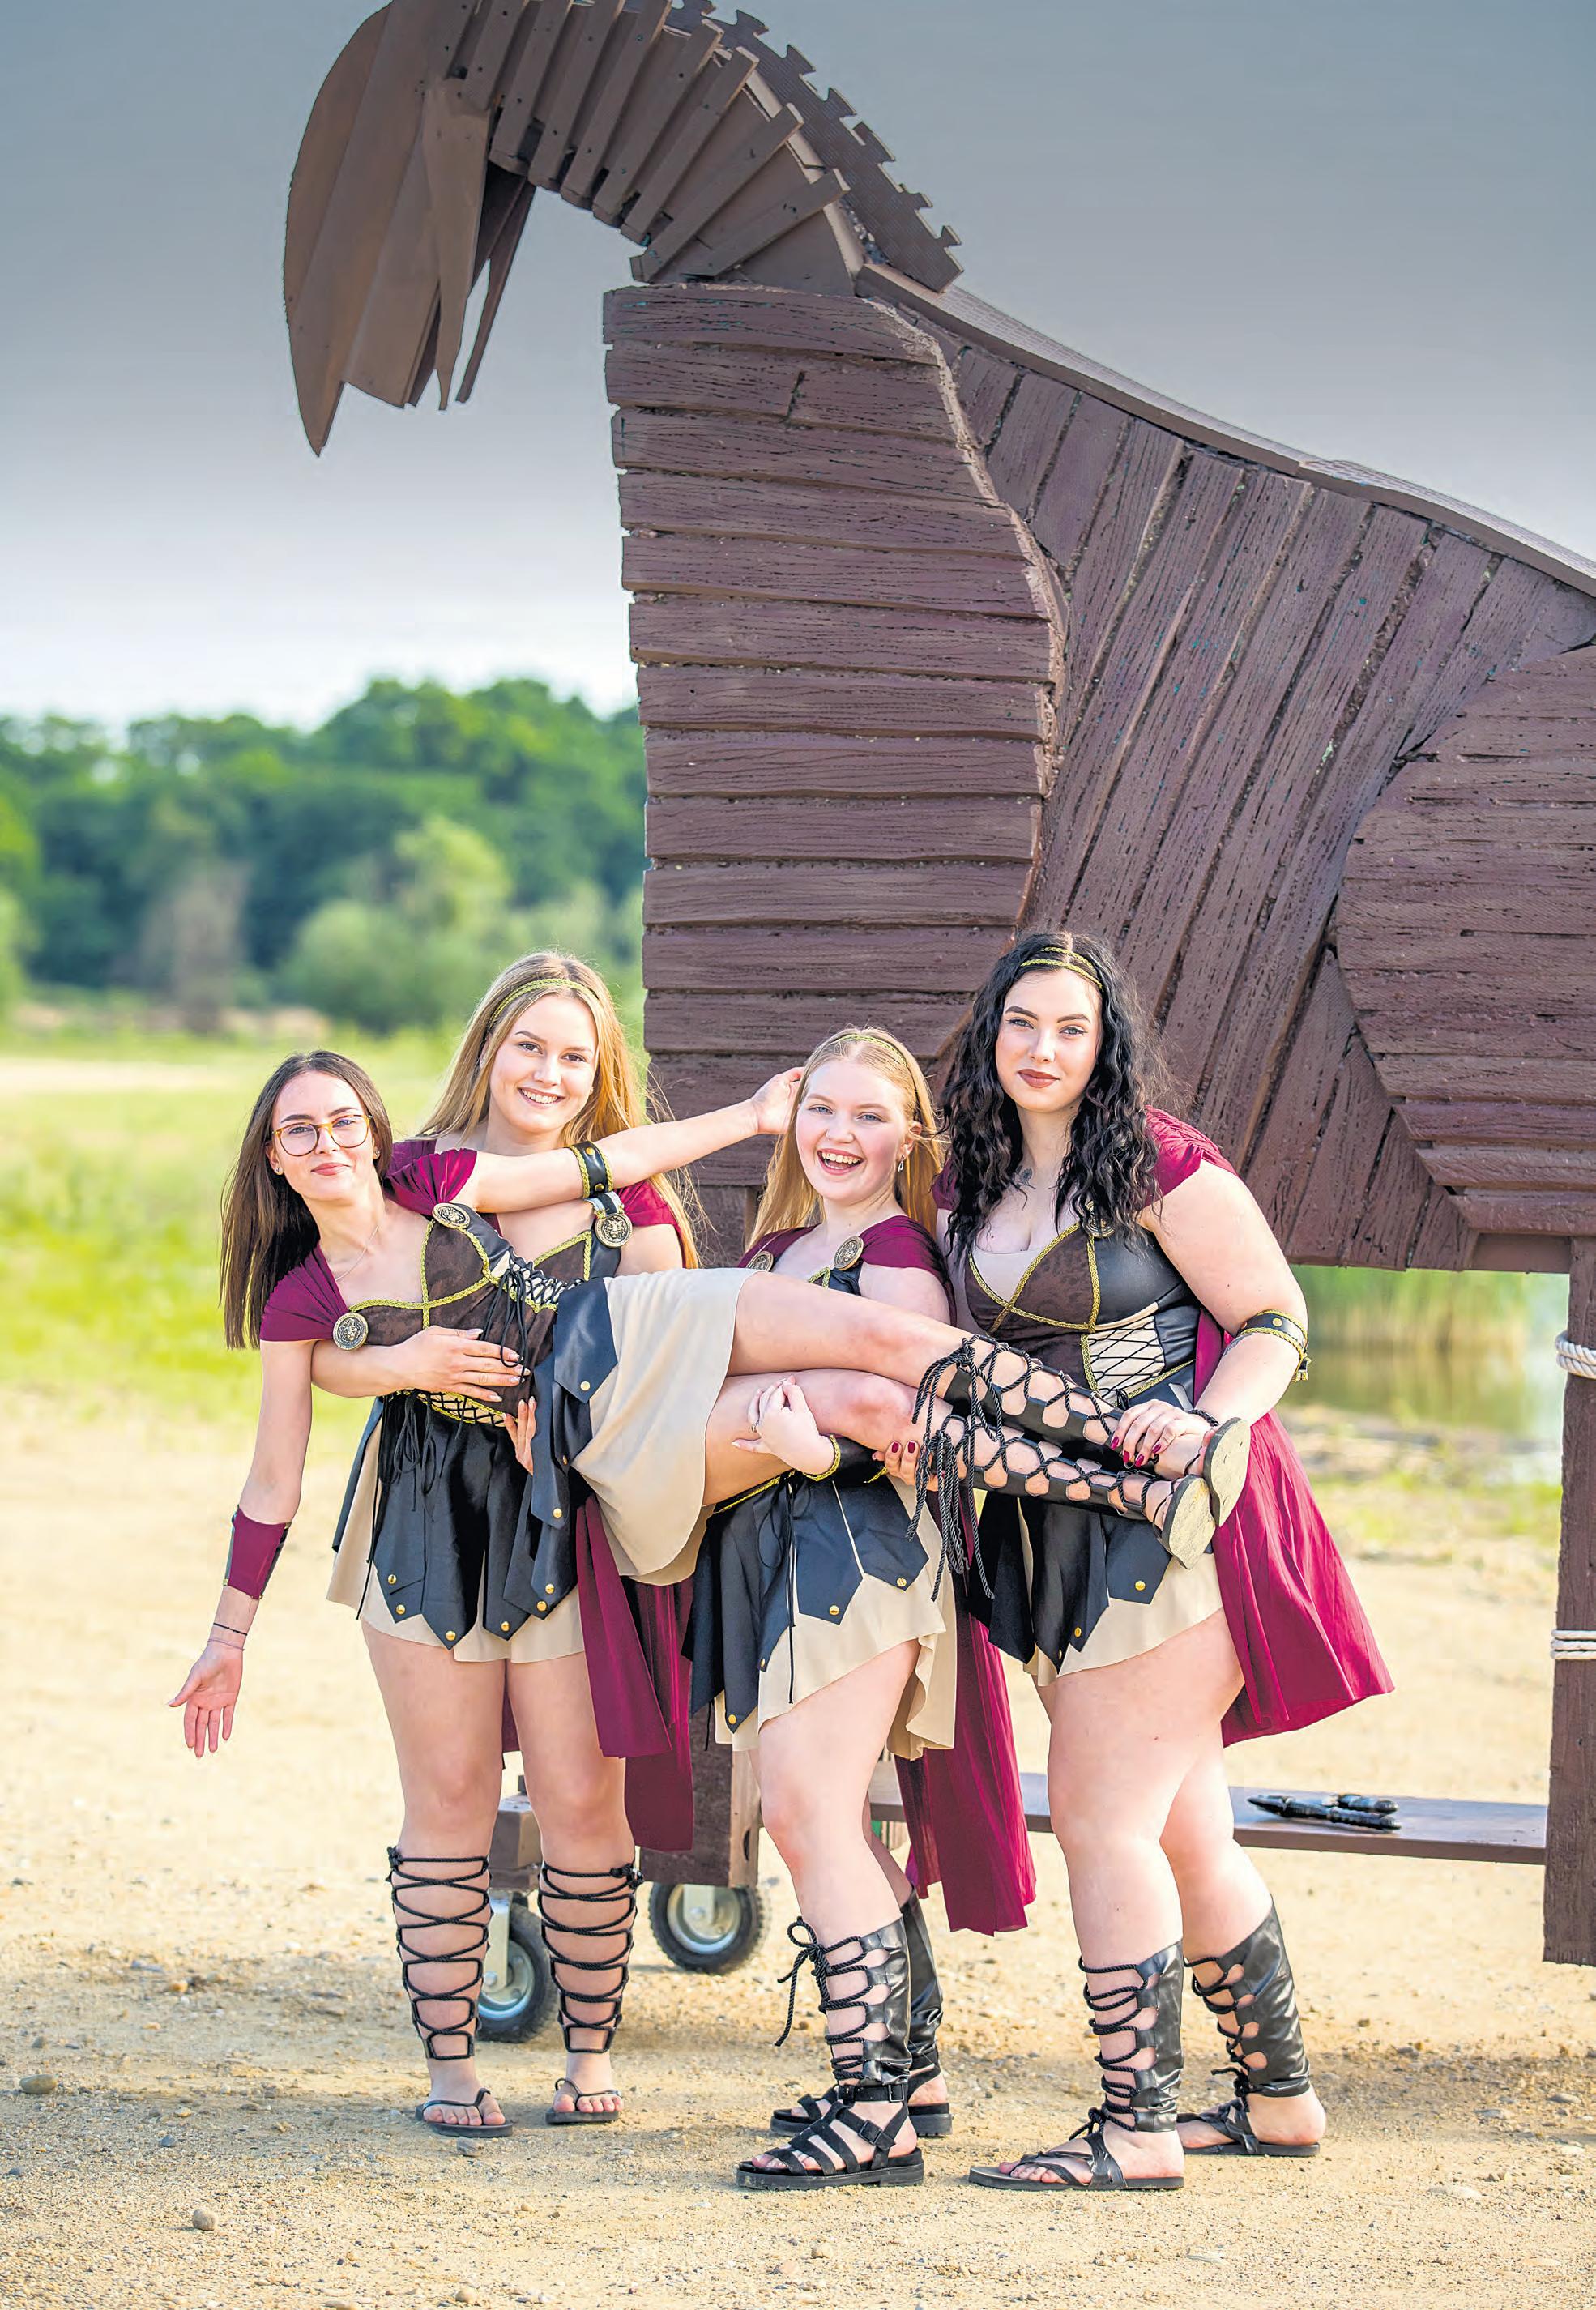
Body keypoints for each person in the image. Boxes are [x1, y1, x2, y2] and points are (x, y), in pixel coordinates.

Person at [171, 1035, 1238, 2175]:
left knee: (880, 1363)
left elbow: (604, 1165)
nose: (328, 1143)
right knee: (862, 1404)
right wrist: (231, 1630)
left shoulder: (428, 1178)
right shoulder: (302, 1301)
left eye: (344, 1121)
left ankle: (1140, 1468)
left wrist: (750, 1113)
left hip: (622, 1330)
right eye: (300, 1130)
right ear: (272, 1157)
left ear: (376, 1133)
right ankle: (486, 2073)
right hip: (586, 1428)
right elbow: (273, 1479)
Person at [913, 930, 1391, 2194]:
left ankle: (1135, 2130)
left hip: (1178, 1521)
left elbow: (1273, 1318)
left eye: (1070, 1029)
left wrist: (1205, 1420)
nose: (1043, 1049)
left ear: (1103, 1044)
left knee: (1099, 1817)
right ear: (990, 1033)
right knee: (1184, 1828)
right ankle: (1278, 2103)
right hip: (1048, 1532)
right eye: (1022, 1023)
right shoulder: (964, 1180)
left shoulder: (1158, 1162)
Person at [305, 954, 694, 2131]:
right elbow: (312, 1339)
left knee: (579, 1796)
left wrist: (570, 1446)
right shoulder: (411, 1180)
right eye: (530, 1045)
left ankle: (590, 2061)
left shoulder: (637, 1218)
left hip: (570, 1523)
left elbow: (664, 1391)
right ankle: (451, 2070)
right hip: (423, 1506)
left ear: (601, 1072)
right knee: (451, 1792)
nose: (549, 1073)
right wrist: (397, 1363)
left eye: (575, 1055)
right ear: (489, 1046)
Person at [687, 1028, 1023, 2188]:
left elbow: (909, 1434)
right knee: (827, 1816)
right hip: (778, 1546)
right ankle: (907, 2078)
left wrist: (812, 1455)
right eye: (822, 1109)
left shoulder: (896, 1260)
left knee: (806, 1813)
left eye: (870, 1115)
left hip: (857, 1548)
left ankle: (872, 2110)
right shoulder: (779, 1247)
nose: (839, 1134)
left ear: (909, 1138)